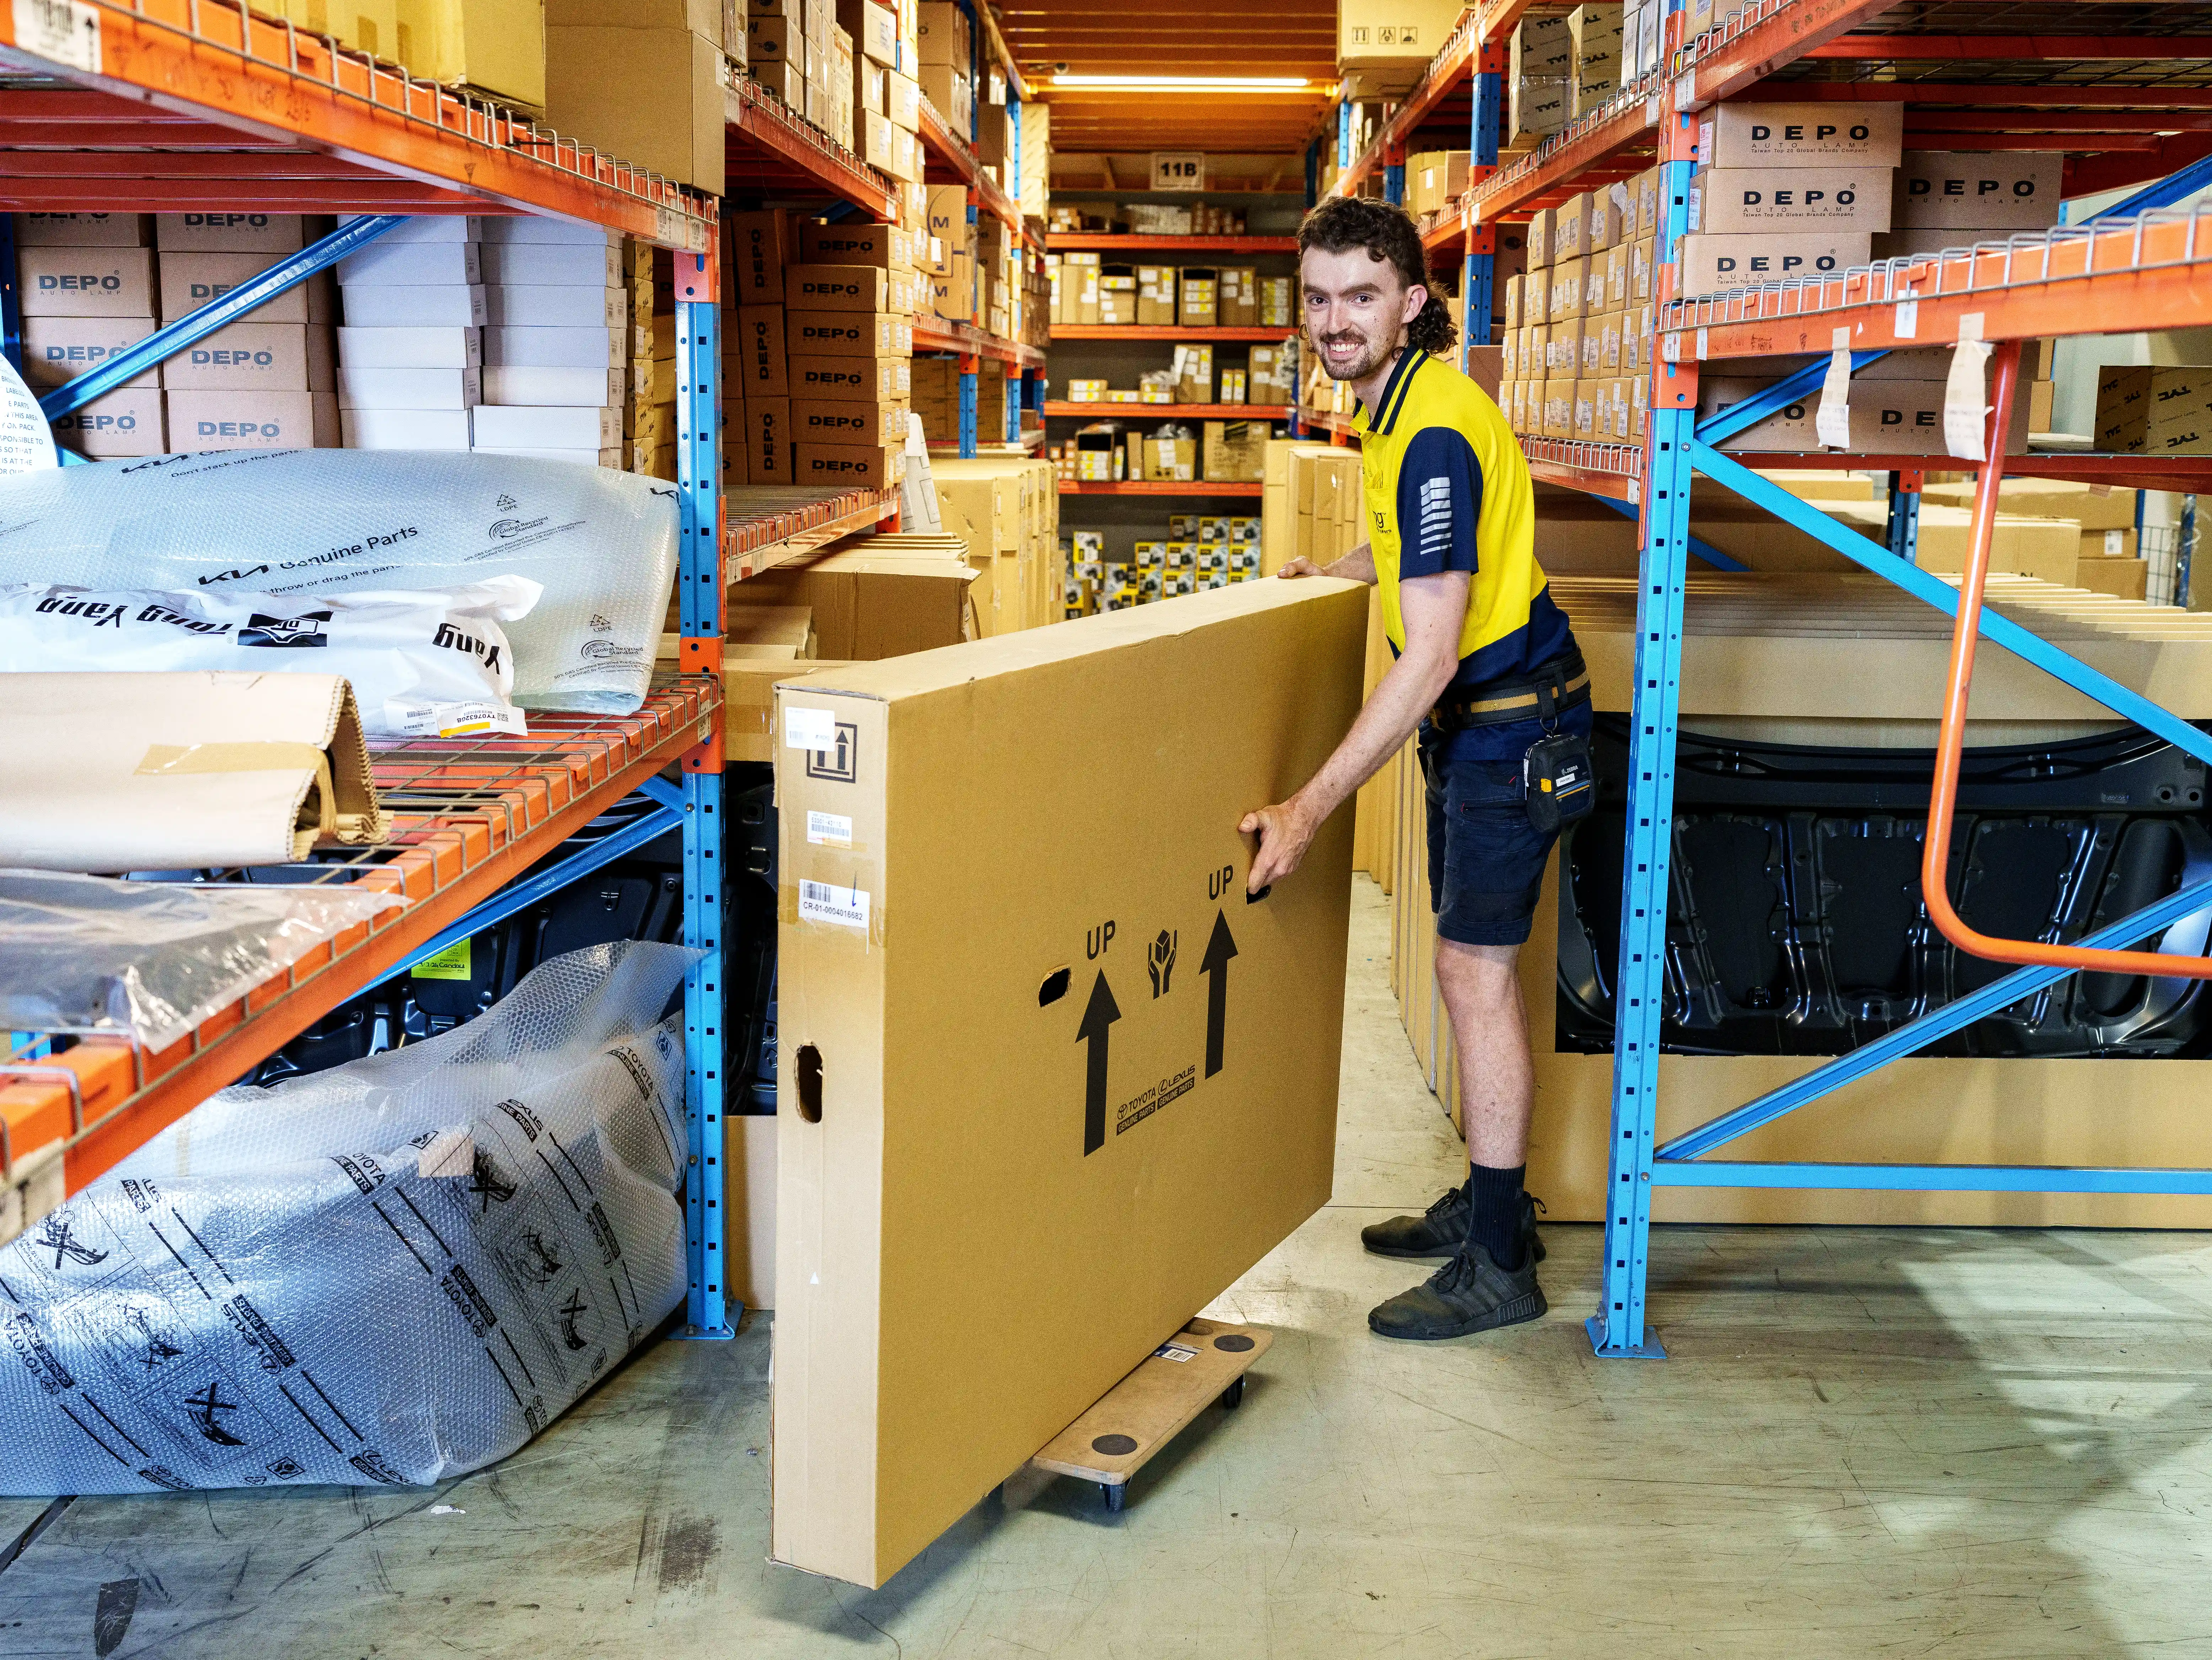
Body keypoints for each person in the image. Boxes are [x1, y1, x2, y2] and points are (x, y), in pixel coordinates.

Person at [1238, 195, 1591, 1342]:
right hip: (1493, 723)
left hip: (1509, 726)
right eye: (1320, 299)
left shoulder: (1433, 425)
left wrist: (1308, 804)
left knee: (1474, 977)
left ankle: (1501, 1262)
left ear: (1414, 304)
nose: (1335, 322)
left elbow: (1432, 651)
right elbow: (1417, 555)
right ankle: (1493, 1202)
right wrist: (1333, 574)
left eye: (1362, 298)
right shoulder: (1391, 413)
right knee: (1465, 972)